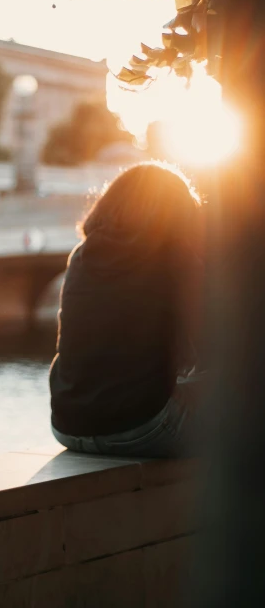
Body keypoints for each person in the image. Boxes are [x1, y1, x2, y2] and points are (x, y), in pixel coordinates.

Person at [50, 161, 204, 458]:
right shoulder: (175, 256)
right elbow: (215, 340)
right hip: (143, 428)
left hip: (66, 427)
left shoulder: (81, 256)